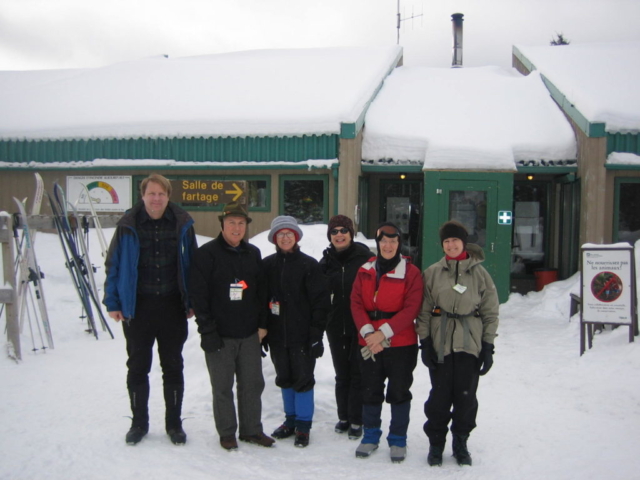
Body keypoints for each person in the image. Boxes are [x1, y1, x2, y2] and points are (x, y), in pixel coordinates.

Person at [103, 173, 197, 446]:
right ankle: (139, 423)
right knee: (137, 367)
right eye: (151, 193)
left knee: (173, 367)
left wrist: (192, 301)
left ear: (169, 196)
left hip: (172, 307)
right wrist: (113, 301)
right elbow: (114, 264)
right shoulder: (127, 225)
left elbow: (192, 265)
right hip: (137, 308)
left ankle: (174, 424)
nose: (156, 199)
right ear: (142, 196)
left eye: (162, 194)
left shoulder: (182, 224)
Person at [189, 202, 274, 451]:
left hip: (248, 334)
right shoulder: (206, 254)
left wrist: (262, 325)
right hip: (220, 335)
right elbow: (199, 296)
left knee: (252, 384)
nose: (236, 228)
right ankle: (227, 432)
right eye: (231, 223)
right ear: (222, 225)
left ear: (246, 226)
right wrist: (207, 331)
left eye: (241, 223)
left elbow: (260, 293)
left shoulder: (253, 253)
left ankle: (251, 430)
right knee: (222, 387)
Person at [417, 220, 499, 467]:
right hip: (440, 343)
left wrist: (487, 346)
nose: (450, 245)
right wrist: (425, 342)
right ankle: (436, 443)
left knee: (466, 397)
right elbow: (423, 311)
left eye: (455, 240)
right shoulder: (432, 272)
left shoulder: (480, 274)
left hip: (469, 344)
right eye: (446, 241)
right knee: (439, 397)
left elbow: (490, 312)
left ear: (464, 243)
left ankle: (461, 441)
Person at [350, 222, 423, 463]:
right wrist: (371, 334)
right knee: (370, 390)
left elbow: (412, 307)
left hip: (400, 343)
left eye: (393, 241)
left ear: (399, 244)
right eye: (383, 241)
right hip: (369, 340)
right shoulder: (365, 270)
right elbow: (357, 303)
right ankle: (370, 436)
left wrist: (384, 333)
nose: (388, 245)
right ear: (377, 243)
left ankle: (398, 439)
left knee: (399, 391)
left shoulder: (411, 272)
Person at [262, 216, 330, 448]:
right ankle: (289, 420)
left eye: (289, 233)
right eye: (280, 234)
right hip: (278, 335)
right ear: (274, 239)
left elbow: (321, 302)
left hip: (303, 335)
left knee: (303, 379)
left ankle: (303, 425)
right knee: (285, 378)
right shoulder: (267, 265)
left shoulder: (309, 265)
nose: (285, 237)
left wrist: (316, 334)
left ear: (297, 236)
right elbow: (261, 299)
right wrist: (264, 329)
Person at [319, 215, 371, 440]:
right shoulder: (325, 262)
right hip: (335, 325)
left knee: (358, 373)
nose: (339, 235)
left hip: (360, 325)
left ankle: (357, 418)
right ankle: (344, 417)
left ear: (351, 233)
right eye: (334, 232)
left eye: (343, 230)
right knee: (342, 374)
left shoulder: (366, 258)